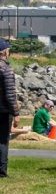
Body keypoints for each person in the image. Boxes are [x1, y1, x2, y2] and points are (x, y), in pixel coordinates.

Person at [0, 39, 16, 177]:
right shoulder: (6, 69)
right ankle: (2, 171)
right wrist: (16, 113)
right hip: (3, 111)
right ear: (4, 52)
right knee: (3, 141)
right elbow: (10, 94)